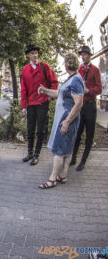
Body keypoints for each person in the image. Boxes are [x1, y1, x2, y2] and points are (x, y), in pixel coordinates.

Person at [37, 53, 84, 189]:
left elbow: (79, 103)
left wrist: (67, 121)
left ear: (67, 64)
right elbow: (59, 94)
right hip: (66, 119)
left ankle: (52, 179)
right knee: (67, 149)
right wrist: (45, 91)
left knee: (58, 149)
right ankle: (63, 175)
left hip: (67, 119)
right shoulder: (72, 79)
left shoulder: (75, 80)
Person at [21, 44, 58, 166]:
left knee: (41, 130)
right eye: (32, 53)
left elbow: (54, 82)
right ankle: (30, 152)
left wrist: (49, 96)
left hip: (42, 102)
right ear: (28, 55)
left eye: (36, 52)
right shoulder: (25, 70)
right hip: (31, 103)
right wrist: (23, 107)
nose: (34, 55)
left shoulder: (45, 66)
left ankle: (37, 155)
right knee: (30, 129)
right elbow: (23, 89)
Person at [70, 46, 103, 171]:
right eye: (82, 54)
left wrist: (89, 91)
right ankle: (73, 158)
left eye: (85, 54)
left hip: (90, 105)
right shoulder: (79, 70)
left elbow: (99, 89)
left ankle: (83, 161)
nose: (83, 57)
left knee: (89, 134)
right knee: (77, 133)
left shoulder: (95, 70)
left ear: (89, 55)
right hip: (80, 105)